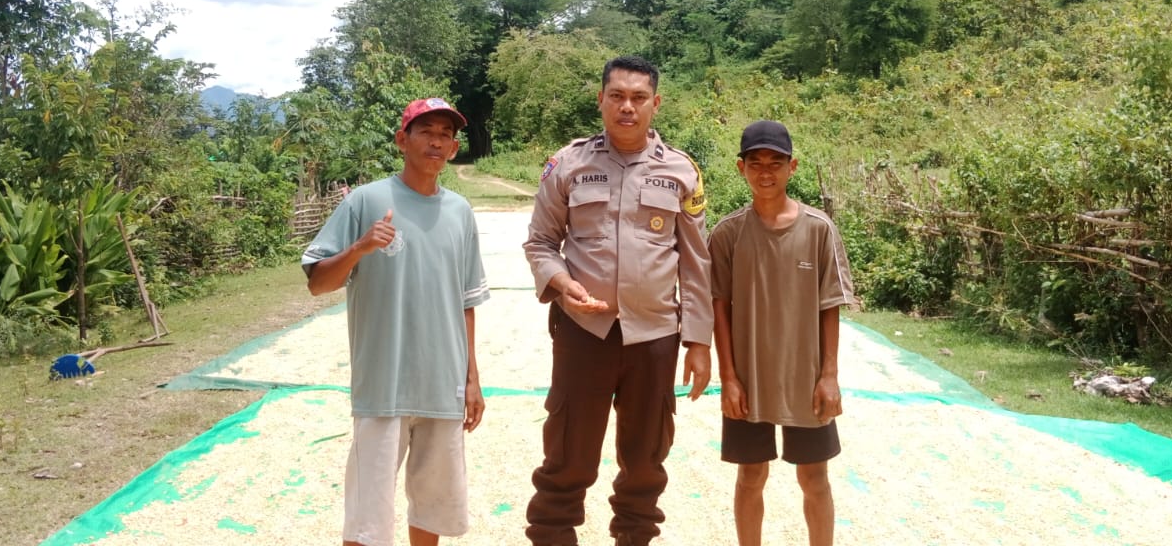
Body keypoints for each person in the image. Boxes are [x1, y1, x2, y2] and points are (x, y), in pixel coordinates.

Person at [523, 54, 712, 546]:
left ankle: (635, 538)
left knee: (645, 459)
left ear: (656, 103)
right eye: (617, 96)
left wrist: (698, 342)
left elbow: (696, 263)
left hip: (655, 335)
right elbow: (540, 243)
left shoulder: (681, 170)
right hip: (584, 333)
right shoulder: (568, 164)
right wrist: (561, 284)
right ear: (601, 100)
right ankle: (552, 536)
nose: (627, 107)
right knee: (568, 453)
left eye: (638, 98)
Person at [303, 96, 489, 546]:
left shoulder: (460, 211)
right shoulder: (366, 201)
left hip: (443, 385)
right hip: (383, 385)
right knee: (367, 515)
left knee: (433, 505)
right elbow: (318, 284)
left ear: (454, 147)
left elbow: (466, 301)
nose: (437, 142)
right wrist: (360, 248)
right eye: (426, 132)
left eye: (446, 134)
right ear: (402, 140)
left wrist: (472, 380)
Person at [708, 120, 855, 546]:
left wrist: (829, 375)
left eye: (776, 162)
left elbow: (830, 304)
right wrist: (728, 378)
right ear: (741, 168)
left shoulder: (818, 229)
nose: (766, 172)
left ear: (793, 167)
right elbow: (719, 309)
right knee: (750, 475)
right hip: (748, 378)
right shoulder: (728, 233)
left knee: (814, 477)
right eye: (756, 163)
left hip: (805, 377)